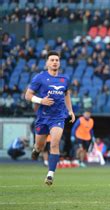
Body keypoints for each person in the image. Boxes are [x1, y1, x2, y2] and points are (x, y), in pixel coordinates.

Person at [25, 50, 75, 186]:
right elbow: (27, 95)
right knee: (40, 145)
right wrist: (41, 101)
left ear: (59, 63)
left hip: (58, 117)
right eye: (52, 60)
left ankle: (50, 174)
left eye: (57, 60)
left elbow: (67, 95)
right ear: (47, 62)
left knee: (54, 143)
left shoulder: (65, 79)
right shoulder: (39, 78)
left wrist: (70, 111)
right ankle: (36, 150)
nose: (54, 62)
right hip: (43, 117)